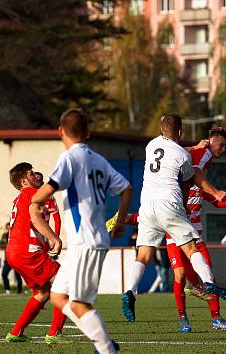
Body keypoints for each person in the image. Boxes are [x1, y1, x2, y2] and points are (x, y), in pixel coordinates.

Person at [29, 109, 133, 354]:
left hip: (86, 241)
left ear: (60, 132)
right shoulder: (98, 159)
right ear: (88, 132)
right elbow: (127, 188)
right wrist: (119, 221)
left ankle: (106, 348)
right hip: (83, 242)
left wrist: (36, 199)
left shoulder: (69, 157)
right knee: (58, 297)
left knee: (79, 304)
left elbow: (49, 188)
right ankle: (104, 341)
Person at [121, 114, 226, 328]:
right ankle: (208, 283)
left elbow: (169, 145)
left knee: (143, 256)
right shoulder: (183, 155)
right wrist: (217, 193)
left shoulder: (151, 145)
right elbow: (193, 175)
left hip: (146, 205)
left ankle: (130, 291)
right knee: (192, 250)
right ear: (181, 133)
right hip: (169, 205)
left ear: (161, 130)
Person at [4, 162, 72, 345]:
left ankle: (16, 332)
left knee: (43, 293)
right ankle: (54, 334)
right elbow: (35, 217)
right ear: (24, 180)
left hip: (14, 252)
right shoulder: (32, 194)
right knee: (64, 283)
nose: (36, 175)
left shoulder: (18, 198)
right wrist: (55, 239)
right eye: (31, 173)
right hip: (28, 251)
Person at [0, 222, 23, 294]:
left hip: (16, 259)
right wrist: (7, 245)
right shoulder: (4, 235)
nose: (8, 229)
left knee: (18, 276)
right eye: (7, 228)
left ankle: (19, 291)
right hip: (8, 259)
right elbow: (1, 245)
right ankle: (7, 290)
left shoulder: (16, 235)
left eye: (9, 228)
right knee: (4, 274)